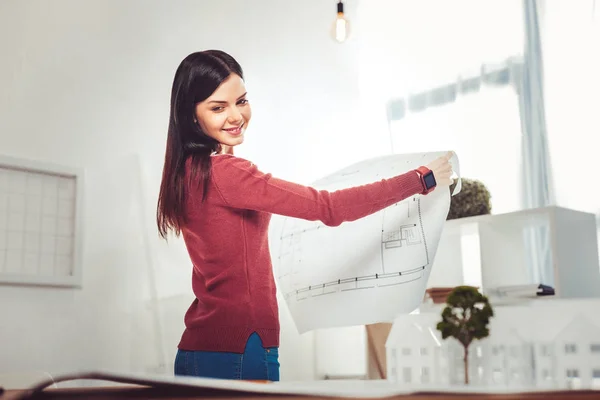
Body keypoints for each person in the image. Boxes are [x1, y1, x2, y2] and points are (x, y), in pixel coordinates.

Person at [156, 50, 454, 382]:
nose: (236, 116)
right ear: (191, 115)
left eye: (241, 101)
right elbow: (329, 207)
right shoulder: (227, 174)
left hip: (198, 349)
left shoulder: (183, 175)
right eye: (218, 107)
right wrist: (420, 179)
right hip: (241, 347)